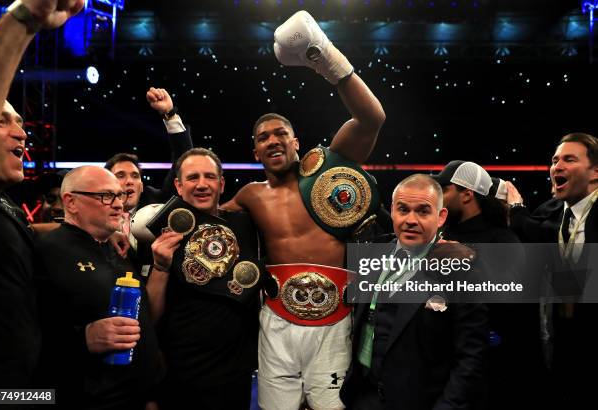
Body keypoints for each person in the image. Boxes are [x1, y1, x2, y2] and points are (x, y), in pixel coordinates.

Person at [222, 10, 386, 410]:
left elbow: (372, 117)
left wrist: (325, 58)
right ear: (255, 149)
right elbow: (202, 219)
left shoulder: (330, 168)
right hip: (276, 319)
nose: (273, 140)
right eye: (264, 137)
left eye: (281, 133)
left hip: (336, 318)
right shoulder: (249, 196)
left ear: (296, 142)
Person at [0, 0, 83, 390]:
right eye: (1, 120)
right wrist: (27, 18)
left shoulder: (1, 203)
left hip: (22, 390)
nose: (22, 134)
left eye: (22, 123)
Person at [340, 174, 488, 410]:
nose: (411, 219)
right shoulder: (373, 254)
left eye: (423, 211)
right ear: (392, 211)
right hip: (364, 396)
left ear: (441, 217)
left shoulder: (461, 270)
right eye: (403, 209)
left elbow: (471, 356)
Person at [147, 148, 271, 410]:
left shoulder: (248, 224)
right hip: (182, 370)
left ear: (222, 183)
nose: (202, 184)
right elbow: (150, 316)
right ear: (179, 186)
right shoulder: (162, 234)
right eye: (192, 178)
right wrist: (160, 267)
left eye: (209, 177)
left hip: (236, 371)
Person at [34, 166, 161, 409]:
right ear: (71, 202)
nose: (118, 204)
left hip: (136, 397)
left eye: (119, 196)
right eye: (105, 196)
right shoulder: (45, 251)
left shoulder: (117, 249)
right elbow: (24, 332)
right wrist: (82, 339)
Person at [433, 161, 546, 409]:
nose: (438, 195)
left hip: (489, 372)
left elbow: (512, 303)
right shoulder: (442, 238)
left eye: (445, 188)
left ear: (467, 194)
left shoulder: (503, 240)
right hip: (445, 364)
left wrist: (472, 259)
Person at [507, 132, 598, 409]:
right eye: (555, 160)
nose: (557, 166)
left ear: (595, 172)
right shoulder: (554, 212)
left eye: (569, 159)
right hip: (559, 348)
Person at [104, 86, 192, 273]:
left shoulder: (157, 206)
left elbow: (183, 162)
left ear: (142, 186)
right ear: (106, 185)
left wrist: (169, 114)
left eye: (135, 176)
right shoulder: (96, 214)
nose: (129, 181)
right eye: (120, 175)